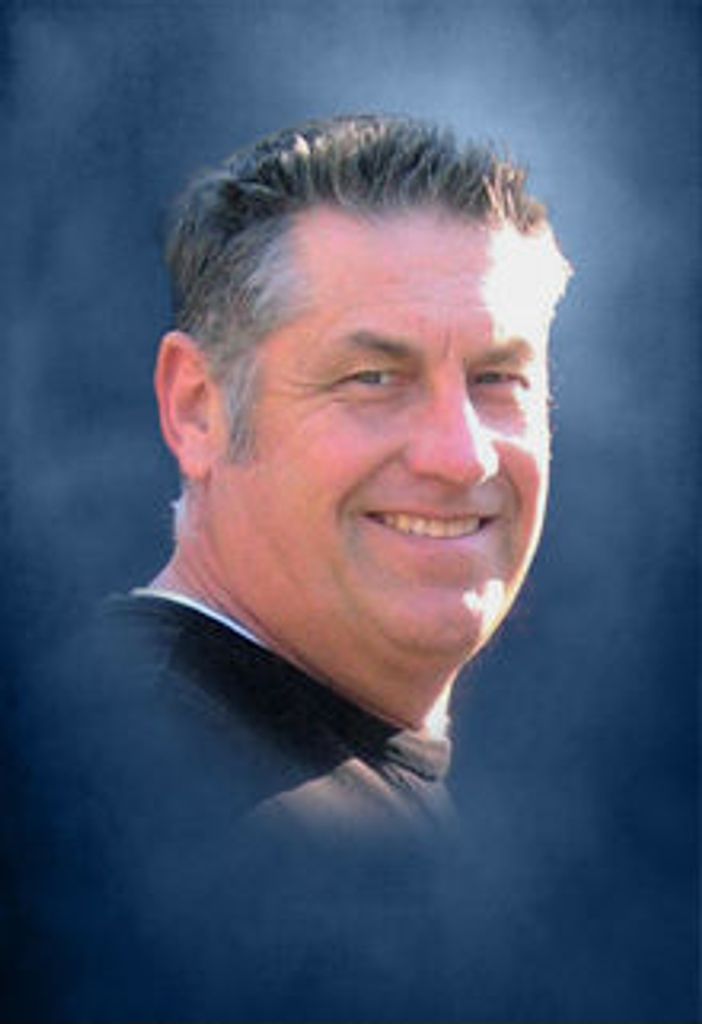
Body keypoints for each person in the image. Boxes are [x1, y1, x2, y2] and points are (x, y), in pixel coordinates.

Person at [13, 114, 572, 1020]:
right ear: (198, 408)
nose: (460, 454)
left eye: (498, 379)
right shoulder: (118, 804)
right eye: (373, 378)